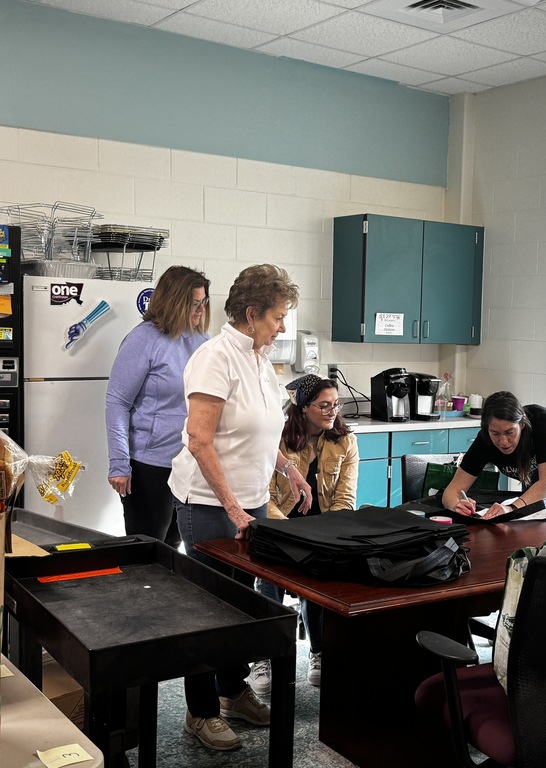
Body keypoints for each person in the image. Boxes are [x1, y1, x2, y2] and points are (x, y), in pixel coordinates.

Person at [168, 263, 311, 752]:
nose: (282, 327)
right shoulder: (215, 358)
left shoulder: (260, 358)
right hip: (209, 504)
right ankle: (200, 711)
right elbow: (199, 439)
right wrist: (232, 508)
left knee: (242, 607)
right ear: (251, 314)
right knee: (207, 611)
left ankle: (232, 691)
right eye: (277, 317)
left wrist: (287, 469)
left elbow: (260, 430)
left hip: (252, 504)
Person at [248, 373, 359, 695]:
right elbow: (264, 496)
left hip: (321, 530)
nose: (332, 412)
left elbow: (345, 498)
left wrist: (324, 535)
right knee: (267, 580)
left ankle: (319, 651)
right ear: (303, 407)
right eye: (324, 405)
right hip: (280, 527)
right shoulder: (277, 440)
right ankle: (264, 656)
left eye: (336, 404)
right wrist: (287, 533)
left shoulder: (345, 441)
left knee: (320, 580)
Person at [105, 266, 211, 546]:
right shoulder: (144, 339)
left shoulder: (203, 342)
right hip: (149, 465)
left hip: (189, 463)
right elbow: (117, 403)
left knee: (175, 548)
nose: (201, 310)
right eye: (194, 304)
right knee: (147, 551)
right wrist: (119, 463)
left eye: (204, 302)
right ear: (175, 302)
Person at [441, 390, 546, 518]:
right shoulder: (484, 440)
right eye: (495, 433)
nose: (503, 441)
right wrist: (456, 505)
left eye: (509, 432)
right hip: (540, 485)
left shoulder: (542, 421)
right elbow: (452, 490)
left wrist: (511, 508)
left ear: (522, 423)